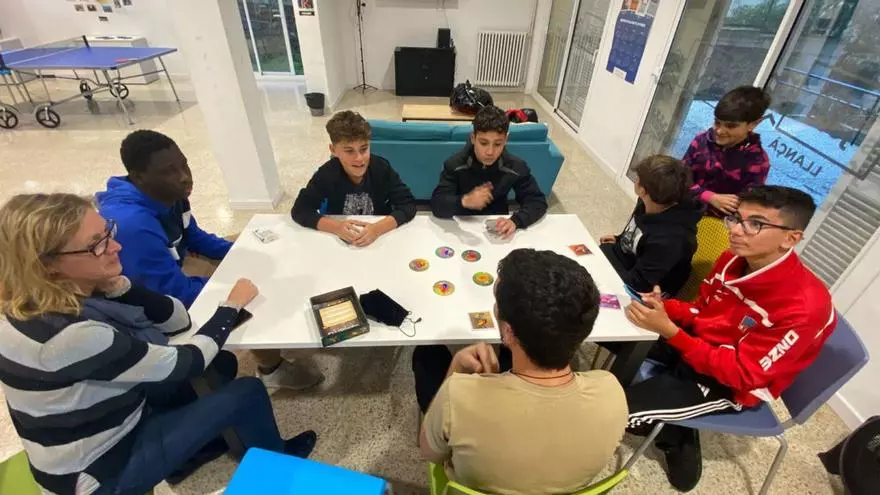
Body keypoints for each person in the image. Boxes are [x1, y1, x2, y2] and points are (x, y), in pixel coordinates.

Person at [0, 193, 317, 495]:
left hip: (90, 430)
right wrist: (231, 306)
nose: (116, 246)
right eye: (97, 244)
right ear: (48, 264)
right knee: (246, 392)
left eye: (108, 232)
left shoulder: (27, 307)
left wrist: (122, 287)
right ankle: (278, 468)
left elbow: (178, 321)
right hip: (101, 474)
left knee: (221, 364)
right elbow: (189, 361)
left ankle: (188, 456)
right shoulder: (71, 335)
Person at [623, 185, 835, 491]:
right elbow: (702, 310)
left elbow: (743, 375)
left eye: (755, 224)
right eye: (736, 218)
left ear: (791, 238)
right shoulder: (732, 258)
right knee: (614, 332)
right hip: (699, 345)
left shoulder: (803, 308)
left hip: (730, 384)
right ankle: (669, 410)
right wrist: (665, 307)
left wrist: (671, 332)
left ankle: (677, 435)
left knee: (616, 415)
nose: (735, 230)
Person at [97, 130, 322, 391]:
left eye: (184, 165)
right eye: (169, 171)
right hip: (154, 304)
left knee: (259, 261)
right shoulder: (133, 225)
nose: (184, 176)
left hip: (172, 267)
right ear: (139, 177)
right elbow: (174, 295)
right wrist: (239, 289)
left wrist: (243, 252)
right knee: (257, 291)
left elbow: (193, 235)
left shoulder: (169, 194)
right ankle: (271, 368)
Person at [414, 249, 628, 494]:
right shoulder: (612, 392)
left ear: (508, 331)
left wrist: (455, 371)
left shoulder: (458, 394)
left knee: (426, 356)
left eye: (497, 303)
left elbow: (430, 453)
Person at [291, 110, 416, 246]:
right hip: (339, 241)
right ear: (333, 150)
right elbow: (300, 210)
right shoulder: (327, 173)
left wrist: (377, 229)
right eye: (349, 151)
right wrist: (336, 227)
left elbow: (408, 205)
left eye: (364, 149)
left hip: (379, 238)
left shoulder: (381, 168)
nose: (359, 158)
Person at [430, 105, 548, 238]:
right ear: (473, 138)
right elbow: (437, 204)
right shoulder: (454, 164)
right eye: (483, 143)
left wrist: (516, 221)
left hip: (498, 231)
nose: (490, 152)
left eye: (497, 144)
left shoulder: (516, 166)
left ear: (506, 139)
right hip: (461, 227)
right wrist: (464, 201)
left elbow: (537, 201)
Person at [599, 154, 701, 295]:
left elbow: (639, 284)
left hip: (646, 291)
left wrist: (603, 269)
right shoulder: (649, 200)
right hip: (632, 262)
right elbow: (641, 228)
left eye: (638, 178)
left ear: (642, 189)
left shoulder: (670, 239)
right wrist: (621, 239)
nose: (636, 180)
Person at [682, 86, 771, 217]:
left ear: (753, 124)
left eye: (730, 126)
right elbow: (679, 178)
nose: (719, 131)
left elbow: (747, 205)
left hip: (718, 223)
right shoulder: (701, 140)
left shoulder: (758, 161)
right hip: (684, 210)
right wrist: (708, 196)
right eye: (717, 122)